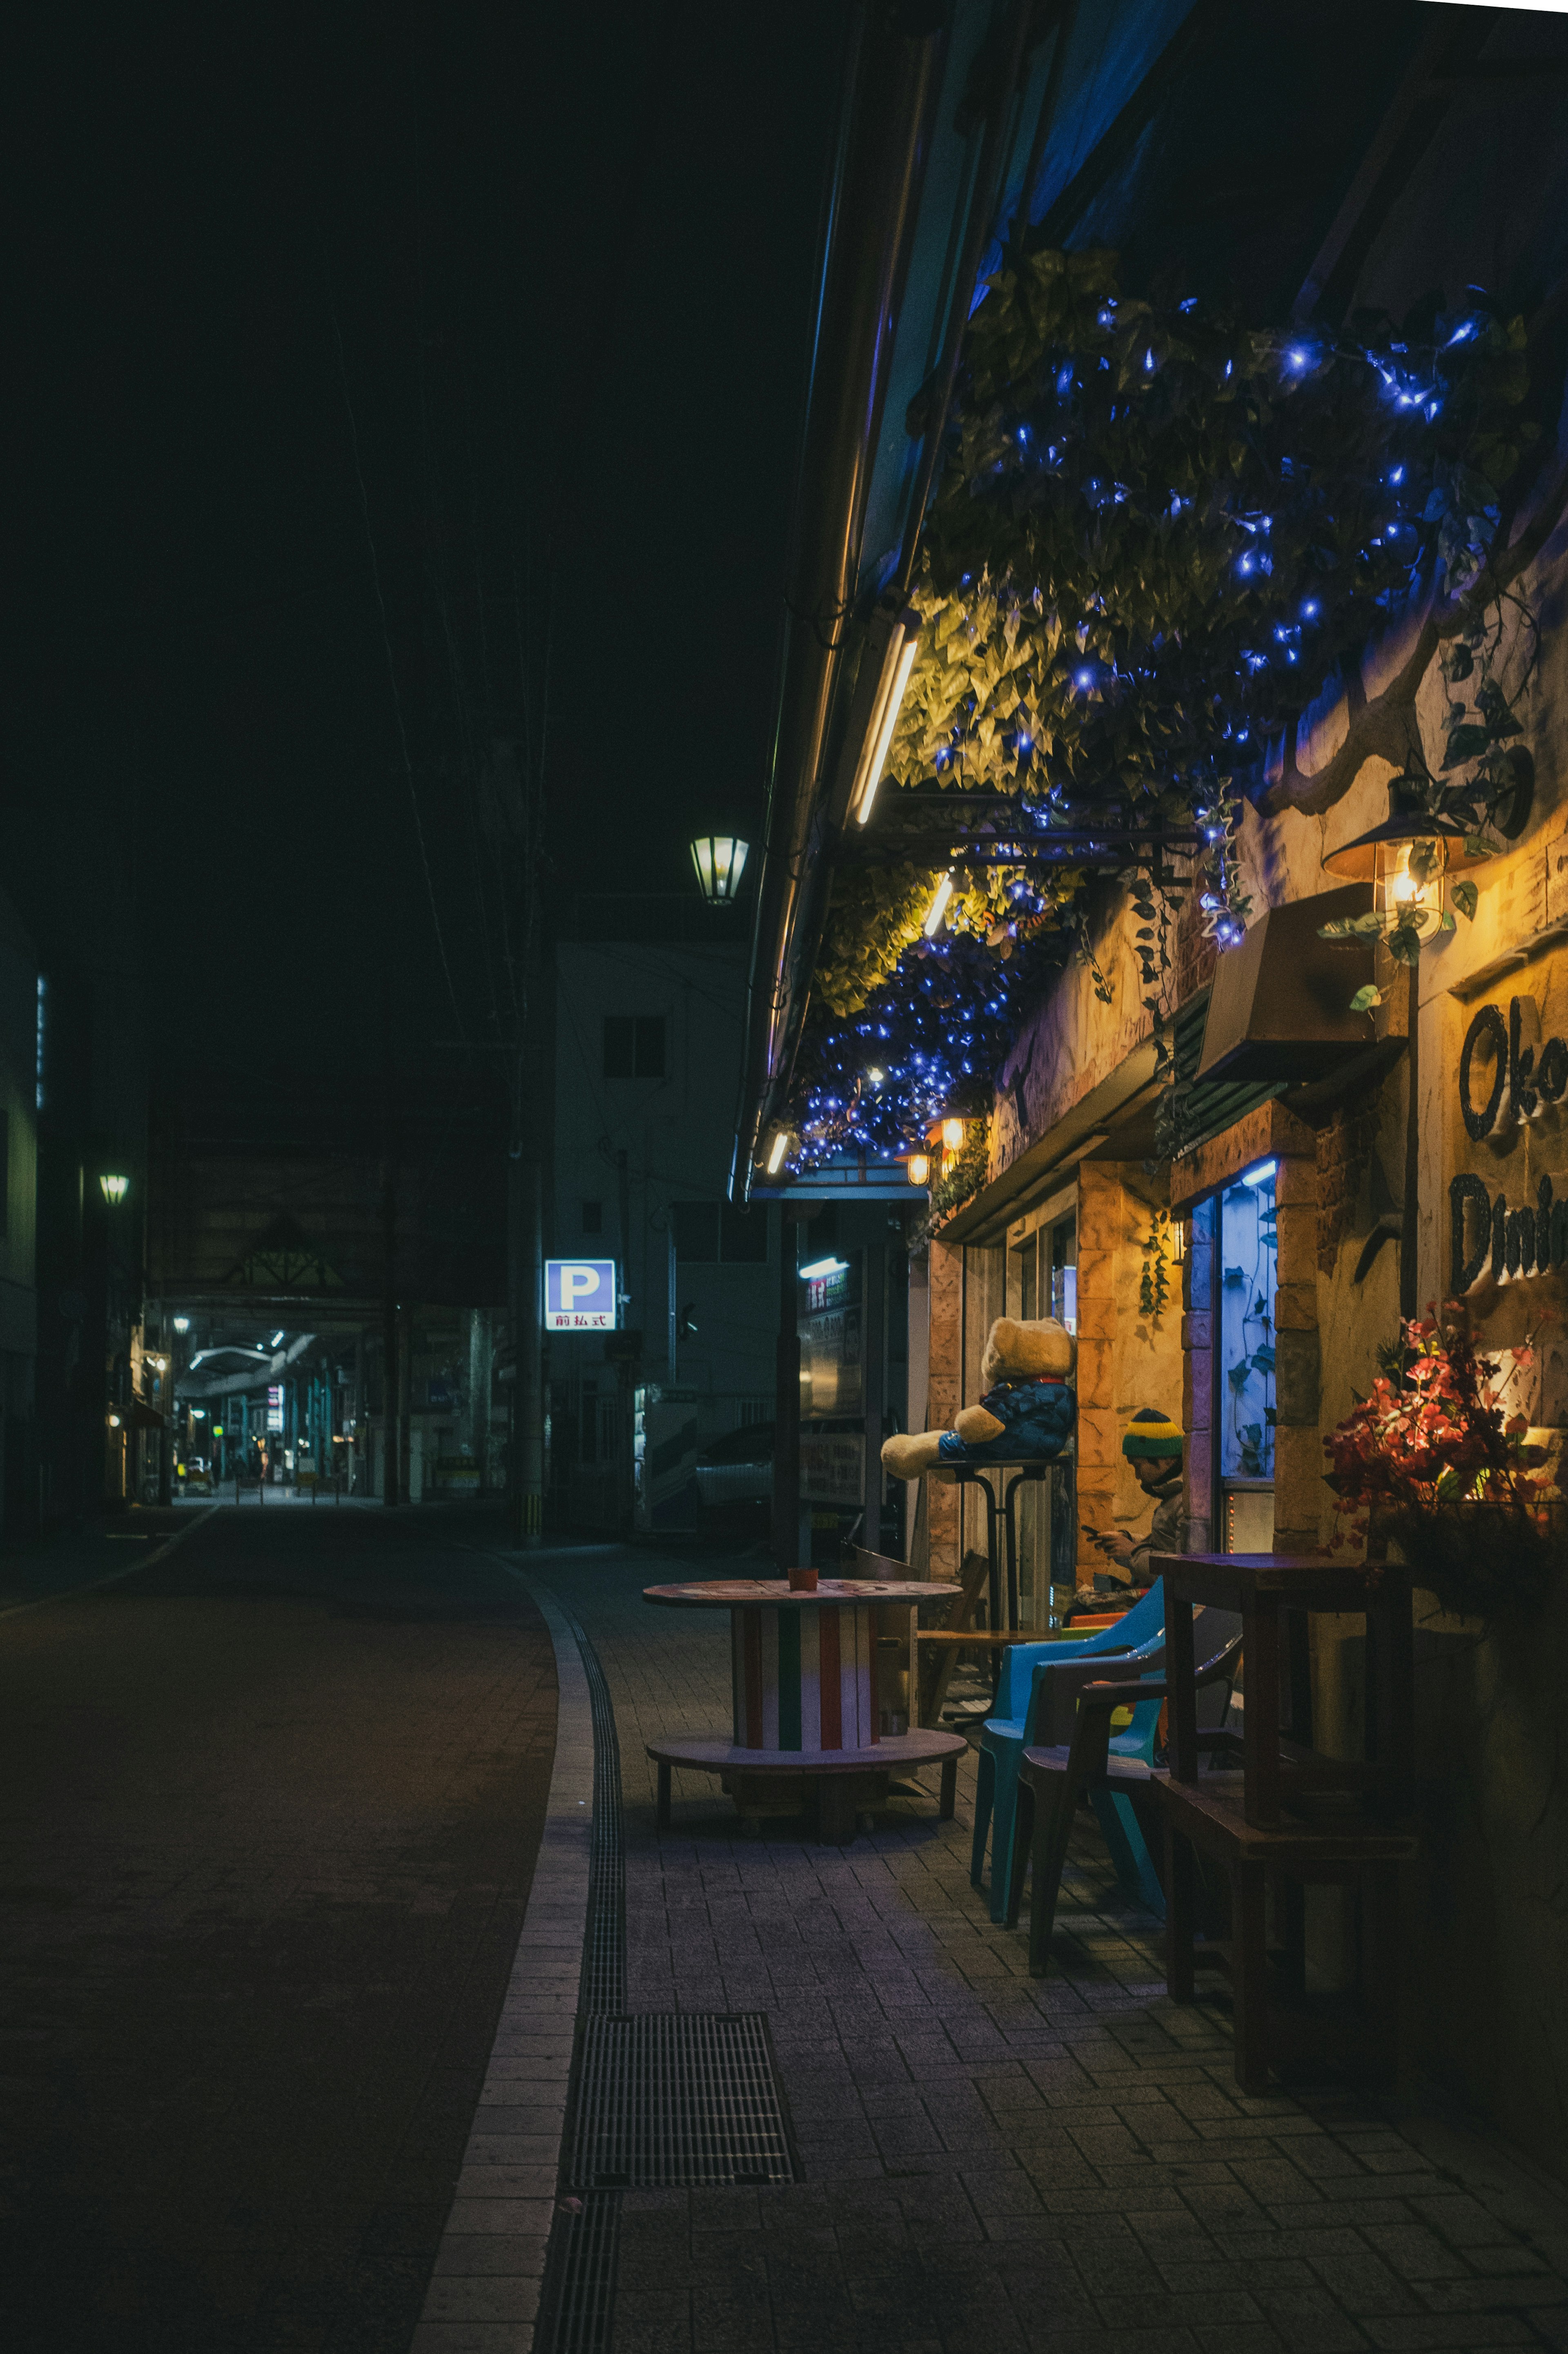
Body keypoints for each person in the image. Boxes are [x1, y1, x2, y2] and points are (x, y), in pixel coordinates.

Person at [1087, 1407, 1183, 1593]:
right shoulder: (1172, 1496)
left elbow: (1180, 1571)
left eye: (1138, 1466)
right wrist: (1126, 1539)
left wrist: (1132, 1552)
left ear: (1165, 1460)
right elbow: (1163, 1545)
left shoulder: (1186, 1503)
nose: (1137, 1476)